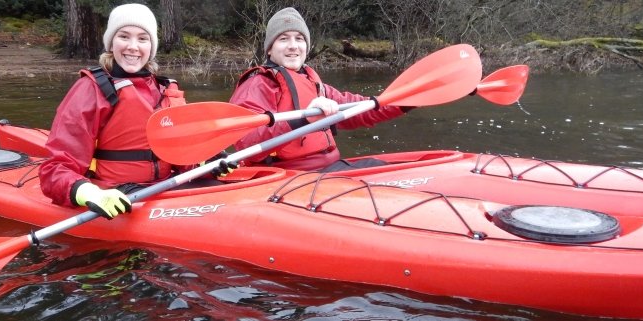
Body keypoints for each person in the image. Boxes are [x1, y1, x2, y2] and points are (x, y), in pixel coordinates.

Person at [39, 3, 229, 220]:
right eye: (124, 36)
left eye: (142, 38)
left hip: (165, 188)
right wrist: (88, 192)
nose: (133, 46)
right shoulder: (91, 89)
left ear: (151, 46)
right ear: (111, 42)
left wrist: (206, 163)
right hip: (117, 193)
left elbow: (181, 156)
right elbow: (54, 169)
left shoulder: (165, 89)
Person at [229, 7, 413, 172]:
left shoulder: (313, 83)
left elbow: (361, 110)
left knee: (384, 169)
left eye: (299, 39)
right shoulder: (257, 84)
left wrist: (405, 103)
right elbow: (246, 143)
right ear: (269, 49)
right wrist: (303, 120)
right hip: (287, 177)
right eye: (283, 39)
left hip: (327, 169)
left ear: (306, 47)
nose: (293, 45)